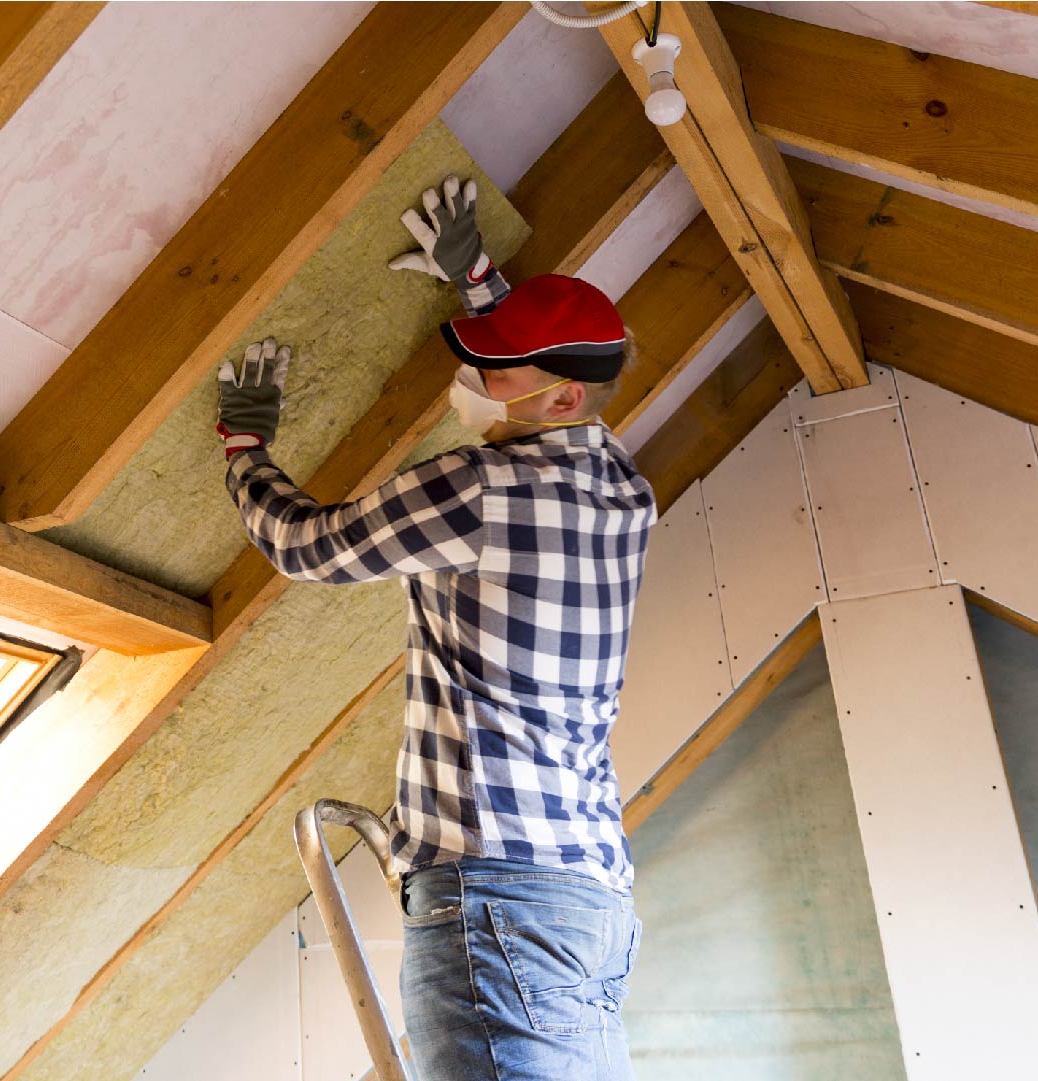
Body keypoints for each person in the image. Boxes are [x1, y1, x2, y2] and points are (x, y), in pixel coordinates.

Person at [216, 175, 654, 1081]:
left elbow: (307, 546)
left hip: (494, 898)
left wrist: (243, 452)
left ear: (564, 399)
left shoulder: (480, 489)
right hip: (585, 900)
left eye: (497, 369)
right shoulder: (623, 489)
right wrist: (481, 285)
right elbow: (557, 369)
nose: (476, 382)